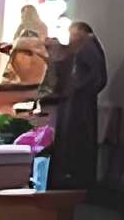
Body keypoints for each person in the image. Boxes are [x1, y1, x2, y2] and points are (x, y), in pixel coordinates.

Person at [41, 19, 108, 191]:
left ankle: (74, 179)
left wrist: (76, 88)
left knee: (76, 139)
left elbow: (96, 76)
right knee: (71, 138)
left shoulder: (88, 46)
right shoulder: (85, 46)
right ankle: (71, 177)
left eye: (73, 34)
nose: (71, 38)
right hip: (75, 100)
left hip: (79, 104)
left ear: (81, 32)